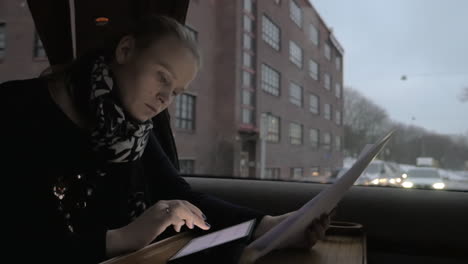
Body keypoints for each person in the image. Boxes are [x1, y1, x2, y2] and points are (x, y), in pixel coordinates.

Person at [2, 15, 331, 263]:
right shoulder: (16, 110)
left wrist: (266, 225)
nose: (164, 99)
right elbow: (23, 241)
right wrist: (121, 238)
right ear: (126, 50)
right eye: (162, 77)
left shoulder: (137, 125)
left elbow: (178, 195)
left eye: (176, 91)